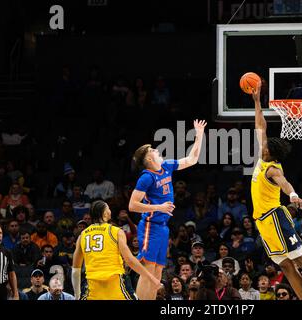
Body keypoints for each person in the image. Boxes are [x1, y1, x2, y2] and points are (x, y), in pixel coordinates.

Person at [250, 83, 302, 300]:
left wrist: (293, 194)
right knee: (286, 266)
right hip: (263, 223)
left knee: (301, 260)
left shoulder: (273, 168)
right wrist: (257, 102)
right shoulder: (262, 156)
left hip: (275, 217)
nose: (262, 146)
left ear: (270, 152)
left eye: (265, 147)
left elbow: (284, 182)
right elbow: (261, 125)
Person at [129, 119, 206, 300]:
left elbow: (192, 159)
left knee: (158, 270)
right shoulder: (146, 178)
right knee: (147, 270)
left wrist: (199, 135)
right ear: (149, 159)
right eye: (154, 151)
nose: (157, 151)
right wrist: (159, 207)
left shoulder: (166, 166)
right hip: (150, 225)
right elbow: (132, 205)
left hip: (163, 227)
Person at [72, 200, 161, 300]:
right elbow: (130, 260)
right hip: (116, 285)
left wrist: (77, 295)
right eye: (108, 208)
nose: (110, 211)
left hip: (93, 287)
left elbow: (76, 270)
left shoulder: (82, 235)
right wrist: (151, 278)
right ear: (105, 213)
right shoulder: (116, 231)